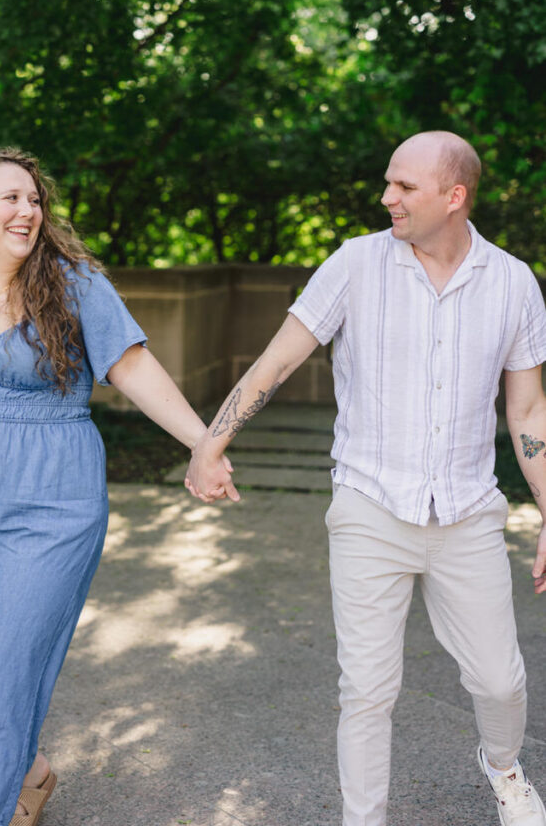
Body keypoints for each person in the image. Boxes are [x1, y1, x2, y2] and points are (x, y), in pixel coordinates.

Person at [186, 130, 546, 826]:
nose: (386, 197)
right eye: (388, 182)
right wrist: (209, 444)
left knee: (500, 682)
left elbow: (528, 411)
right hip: (369, 507)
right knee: (368, 691)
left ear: (454, 195)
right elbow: (276, 362)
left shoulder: (512, 282)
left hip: (467, 512)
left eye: (403, 186)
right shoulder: (354, 265)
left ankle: (503, 770)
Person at [0, 148, 232, 826]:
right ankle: (27, 770)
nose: (28, 211)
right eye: (11, 198)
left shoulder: (74, 286)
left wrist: (202, 442)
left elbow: (131, 367)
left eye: (34, 200)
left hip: (52, 491)